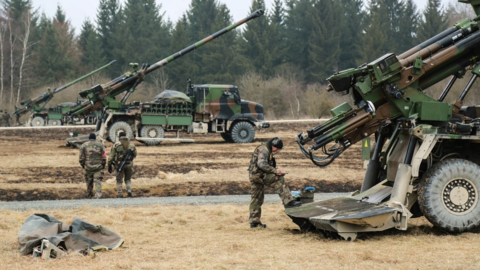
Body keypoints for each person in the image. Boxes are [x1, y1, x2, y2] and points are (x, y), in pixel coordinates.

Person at [247, 137, 301, 228]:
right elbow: (262, 164)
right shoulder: (264, 150)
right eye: (277, 148)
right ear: (273, 146)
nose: (277, 151)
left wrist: (276, 169)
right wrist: (276, 172)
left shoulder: (264, 148)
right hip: (260, 175)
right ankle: (288, 201)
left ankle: (254, 222)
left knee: (256, 198)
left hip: (253, 176)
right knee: (279, 179)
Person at [108, 132, 137, 198]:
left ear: (119, 137)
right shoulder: (131, 144)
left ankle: (120, 194)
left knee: (119, 180)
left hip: (119, 165)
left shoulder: (116, 145)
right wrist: (130, 158)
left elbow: (111, 156)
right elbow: (135, 154)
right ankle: (129, 190)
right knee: (128, 179)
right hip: (129, 164)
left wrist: (109, 165)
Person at [79, 133, 106, 199]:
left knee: (89, 183)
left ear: (89, 138)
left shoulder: (84, 145)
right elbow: (104, 157)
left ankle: (89, 195)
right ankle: (98, 195)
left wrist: (84, 166)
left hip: (88, 167)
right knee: (98, 182)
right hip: (98, 167)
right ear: (95, 138)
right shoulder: (101, 145)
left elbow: (81, 158)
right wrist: (103, 166)